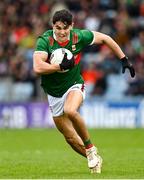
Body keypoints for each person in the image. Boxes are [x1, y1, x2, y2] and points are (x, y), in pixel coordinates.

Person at [33, 9, 135, 173]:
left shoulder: (79, 36)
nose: (62, 32)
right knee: (70, 139)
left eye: (65, 28)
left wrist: (124, 59)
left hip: (74, 85)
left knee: (70, 110)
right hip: (53, 93)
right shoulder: (45, 41)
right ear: (53, 26)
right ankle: (94, 158)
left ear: (71, 26)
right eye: (58, 28)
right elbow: (38, 67)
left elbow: (105, 38)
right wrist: (58, 66)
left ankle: (90, 148)